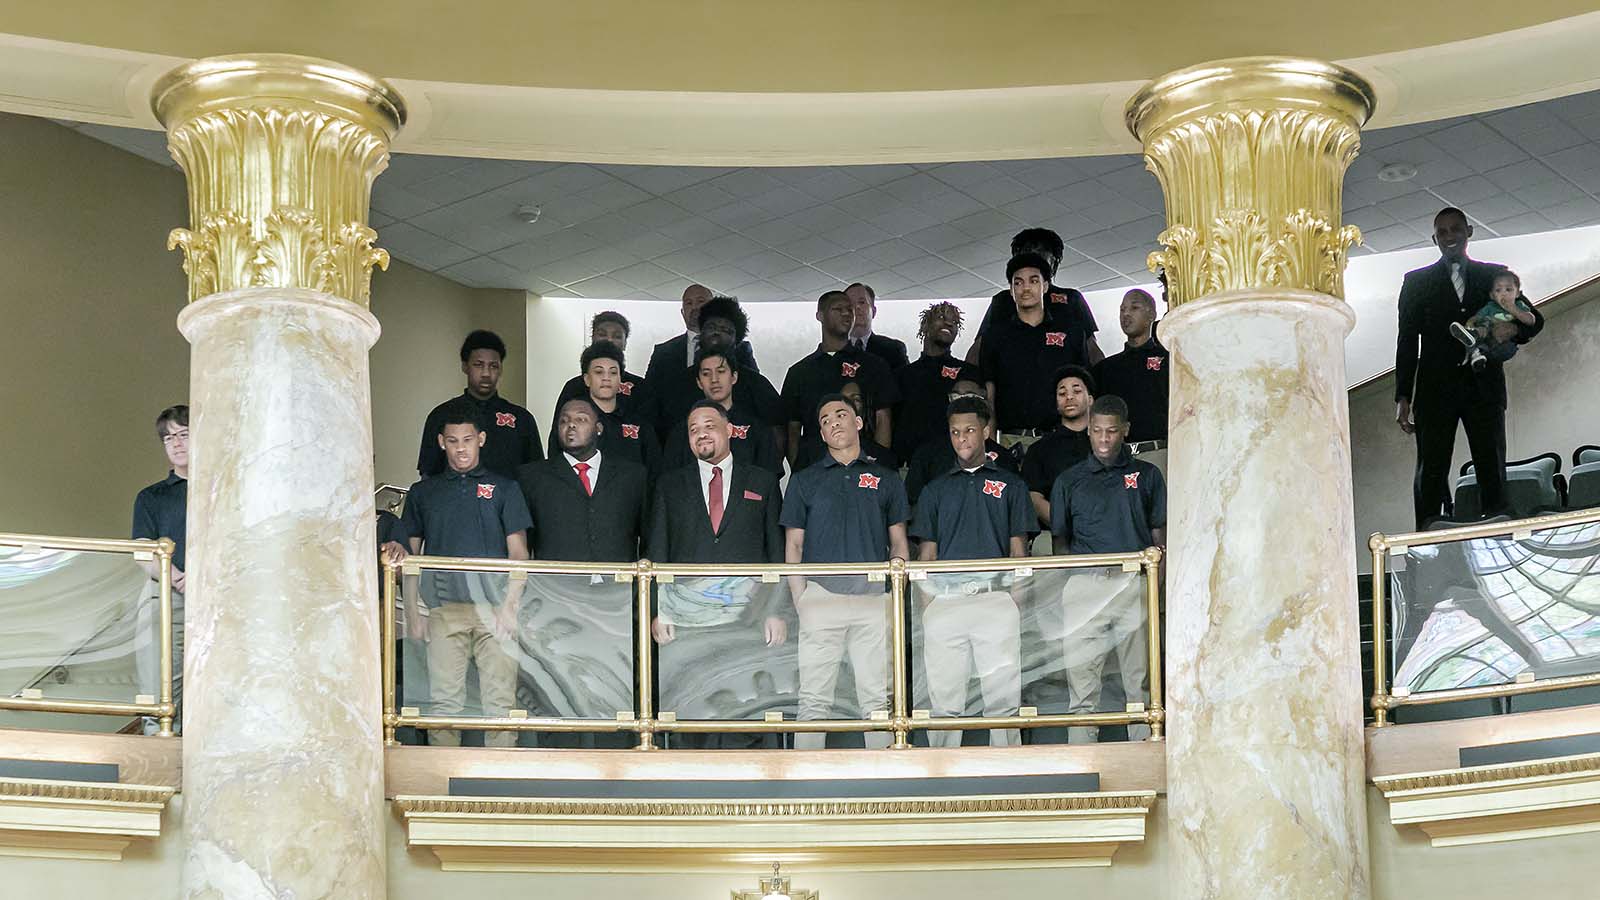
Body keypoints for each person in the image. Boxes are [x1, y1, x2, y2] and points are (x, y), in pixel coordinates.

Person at [388, 401, 532, 748]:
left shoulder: (505, 488)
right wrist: (412, 612)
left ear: (481, 439)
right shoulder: (424, 492)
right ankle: (443, 778)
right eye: (452, 441)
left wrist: (511, 607)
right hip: (444, 610)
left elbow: (519, 553)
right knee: (443, 704)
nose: (461, 448)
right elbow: (412, 559)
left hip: (494, 609)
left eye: (467, 440)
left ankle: (500, 779)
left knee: (500, 702)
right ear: (441, 442)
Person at [647, 401, 789, 747]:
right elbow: (658, 554)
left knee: (746, 705)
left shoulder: (762, 481)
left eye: (709, 426)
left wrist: (776, 610)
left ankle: (745, 777)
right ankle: (692, 777)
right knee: (689, 705)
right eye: (693, 430)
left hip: (749, 615)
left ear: (730, 430)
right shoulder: (670, 484)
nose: (701, 434)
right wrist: (659, 610)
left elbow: (776, 554)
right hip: (688, 615)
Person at [1396, 207, 1544, 527]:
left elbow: (1534, 321)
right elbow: (1407, 341)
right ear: (1435, 239)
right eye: (1442, 232)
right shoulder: (1416, 282)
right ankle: (1428, 539)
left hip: (1484, 388)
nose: (1449, 236)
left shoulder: (1494, 275)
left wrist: (1509, 332)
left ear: (1469, 232)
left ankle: (1498, 535)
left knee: (1492, 468)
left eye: (1455, 229)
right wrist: (1403, 396)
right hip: (1435, 392)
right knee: (1431, 471)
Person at [781, 394, 910, 750]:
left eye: (841, 414)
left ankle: (884, 782)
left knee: (877, 701)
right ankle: (807, 783)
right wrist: (802, 600)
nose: (833, 422)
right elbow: (793, 546)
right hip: (821, 597)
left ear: (859, 422)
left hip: (873, 599)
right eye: (825, 420)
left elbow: (899, 543)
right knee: (813, 700)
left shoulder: (885, 478)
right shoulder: (804, 480)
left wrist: (893, 596)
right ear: (821, 435)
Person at [910, 396, 1031, 747]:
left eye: (969, 430)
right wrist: (928, 609)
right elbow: (927, 556)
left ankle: (1006, 773)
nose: (962, 438)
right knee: (944, 703)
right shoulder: (935, 490)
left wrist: (1015, 604)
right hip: (946, 601)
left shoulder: (1011, 485)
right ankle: (943, 774)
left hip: (995, 599)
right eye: (955, 432)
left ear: (986, 432)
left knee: (1003, 702)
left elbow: (1019, 552)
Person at [1049, 395, 1164, 744]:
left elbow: (1159, 538)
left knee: (1140, 681)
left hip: (1133, 581)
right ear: (1088, 430)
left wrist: (1156, 589)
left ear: (1125, 430)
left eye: (1111, 431)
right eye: (1097, 430)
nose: (1103, 438)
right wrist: (1070, 584)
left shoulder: (1147, 475)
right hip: (1086, 582)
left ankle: (1144, 757)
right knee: (1082, 683)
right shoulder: (1069, 480)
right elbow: (1060, 541)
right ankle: (1082, 760)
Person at [516, 398, 649, 563]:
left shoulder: (632, 476)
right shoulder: (532, 476)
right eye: (564, 421)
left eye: (581, 419)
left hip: (618, 578)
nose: (571, 425)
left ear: (598, 428)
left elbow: (649, 537)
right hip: (555, 578)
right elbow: (523, 541)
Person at [981, 253, 1093, 446]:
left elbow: (1084, 388)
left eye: (1033, 281)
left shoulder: (1071, 331)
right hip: (1011, 440)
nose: (1026, 288)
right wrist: (991, 446)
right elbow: (989, 395)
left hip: (1063, 438)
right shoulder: (995, 335)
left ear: (1045, 286)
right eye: (1018, 282)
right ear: (1011, 290)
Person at [782, 290, 899, 470]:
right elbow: (793, 429)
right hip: (814, 467)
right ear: (820, 316)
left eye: (849, 309)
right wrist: (800, 472)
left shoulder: (874, 366)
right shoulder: (799, 372)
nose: (846, 313)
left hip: (863, 468)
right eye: (838, 309)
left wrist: (879, 467)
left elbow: (883, 419)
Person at [651, 295, 786, 451]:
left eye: (726, 330)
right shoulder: (676, 383)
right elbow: (660, 432)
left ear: (736, 340)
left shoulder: (756, 384)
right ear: (701, 332)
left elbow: (777, 433)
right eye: (711, 327)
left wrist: (766, 466)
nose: (717, 332)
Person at [131, 405, 190, 734]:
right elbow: (142, 551)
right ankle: (160, 745)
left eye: (184, 434)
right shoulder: (152, 497)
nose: (176, 443)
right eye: (169, 438)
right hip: (168, 593)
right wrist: (178, 579)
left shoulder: (225, 491)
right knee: (161, 678)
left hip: (223, 593)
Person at [967, 228, 1102, 366]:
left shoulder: (1071, 298)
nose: (1033, 262)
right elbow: (979, 348)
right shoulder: (1003, 300)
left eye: (1041, 255)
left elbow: (1091, 349)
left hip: (1063, 374)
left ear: (1054, 263)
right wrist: (969, 376)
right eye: (1027, 256)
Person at [418, 330, 542, 480]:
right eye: (478, 365)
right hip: (456, 494)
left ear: (501, 369)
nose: (486, 374)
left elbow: (537, 477)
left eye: (493, 366)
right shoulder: (442, 415)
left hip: (509, 495)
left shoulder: (522, 419)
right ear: (465, 366)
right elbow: (428, 477)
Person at [659, 347, 785, 478]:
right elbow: (669, 481)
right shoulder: (682, 431)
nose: (714, 379)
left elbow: (769, 480)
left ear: (734, 377)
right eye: (706, 374)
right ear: (699, 382)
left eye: (721, 371)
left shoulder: (756, 429)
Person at [904, 378, 1020, 508]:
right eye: (955, 396)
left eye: (969, 396)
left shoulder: (1004, 458)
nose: (962, 401)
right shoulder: (927, 454)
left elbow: (1016, 511)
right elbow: (913, 504)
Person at [893, 301, 982, 464]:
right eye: (941, 317)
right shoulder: (902, 375)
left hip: (954, 463)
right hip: (910, 463)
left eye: (954, 322)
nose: (949, 323)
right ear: (925, 325)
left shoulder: (968, 374)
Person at [552, 311, 651, 444]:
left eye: (617, 336)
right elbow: (557, 435)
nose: (609, 340)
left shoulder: (640, 387)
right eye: (602, 334)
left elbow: (651, 437)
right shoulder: (574, 386)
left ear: (625, 343)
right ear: (592, 338)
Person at [1092, 289, 1169, 452]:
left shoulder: (1169, 361)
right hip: (1116, 455)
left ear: (1151, 315)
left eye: (1134, 308)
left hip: (1157, 451)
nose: (1126, 314)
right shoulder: (1105, 369)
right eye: (1122, 309)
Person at [569, 341, 660, 477]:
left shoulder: (640, 424)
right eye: (599, 372)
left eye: (613, 372)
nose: (606, 378)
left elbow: (655, 471)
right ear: (587, 379)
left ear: (620, 379)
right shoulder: (572, 424)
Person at [644, 283, 760, 389]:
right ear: (682, 312)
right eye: (689, 303)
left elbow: (755, 387)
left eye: (700, 301)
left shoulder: (740, 348)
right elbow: (648, 393)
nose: (695, 307)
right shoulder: (663, 352)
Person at [1023, 366, 1096, 533]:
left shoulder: (1106, 444)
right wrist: (1066, 527)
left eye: (1077, 391)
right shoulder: (1039, 449)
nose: (1069, 397)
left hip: (1104, 534)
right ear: (1056, 404)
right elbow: (1034, 499)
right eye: (1062, 393)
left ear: (1091, 399)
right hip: (1056, 534)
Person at [1450, 269, 1537, 372]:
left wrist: (1513, 309)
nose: (1503, 294)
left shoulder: (1519, 305)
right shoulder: (1490, 307)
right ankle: (1474, 344)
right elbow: (1477, 317)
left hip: (1504, 343)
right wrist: (1470, 322)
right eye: (1498, 290)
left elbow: (1531, 320)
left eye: (1508, 289)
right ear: (1492, 295)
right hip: (1487, 335)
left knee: (1506, 348)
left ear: (1517, 293)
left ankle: (1476, 349)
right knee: (1485, 324)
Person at [845, 282, 910, 370]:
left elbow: (906, 377)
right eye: (850, 304)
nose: (856, 307)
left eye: (862, 302)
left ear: (874, 311)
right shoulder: (834, 350)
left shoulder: (893, 349)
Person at [842, 381, 897, 469]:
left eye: (856, 399)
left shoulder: (880, 456)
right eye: (843, 399)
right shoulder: (822, 455)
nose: (849, 404)